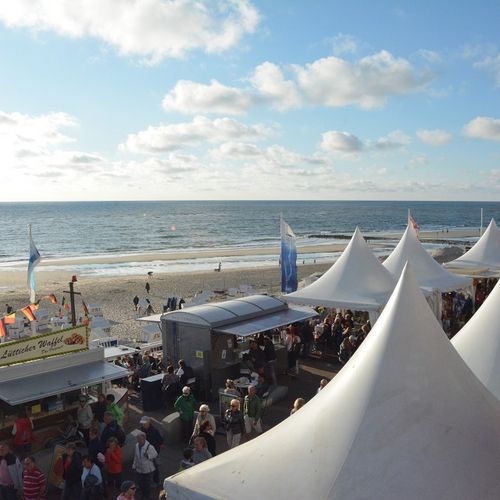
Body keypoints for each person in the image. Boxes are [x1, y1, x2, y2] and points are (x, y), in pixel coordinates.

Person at [132, 432, 158, 500]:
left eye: (140, 439)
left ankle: (146, 495)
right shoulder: (136, 445)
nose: (139, 441)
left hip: (147, 469)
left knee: (147, 483)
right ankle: (143, 493)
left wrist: (148, 456)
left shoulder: (150, 447)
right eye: (138, 439)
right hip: (139, 468)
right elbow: (135, 456)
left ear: (144, 439)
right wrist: (134, 466)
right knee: (140, 483)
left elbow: (155, 454)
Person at [140, 416, 164, 484]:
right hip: (146, 451)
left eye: (144, 423)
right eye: (143, 423)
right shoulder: (143, 429)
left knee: (155, 466)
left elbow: (160, 440)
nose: (143, 425)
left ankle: (156, 481)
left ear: (149, 423)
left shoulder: (154, 431)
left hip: (153, 451)